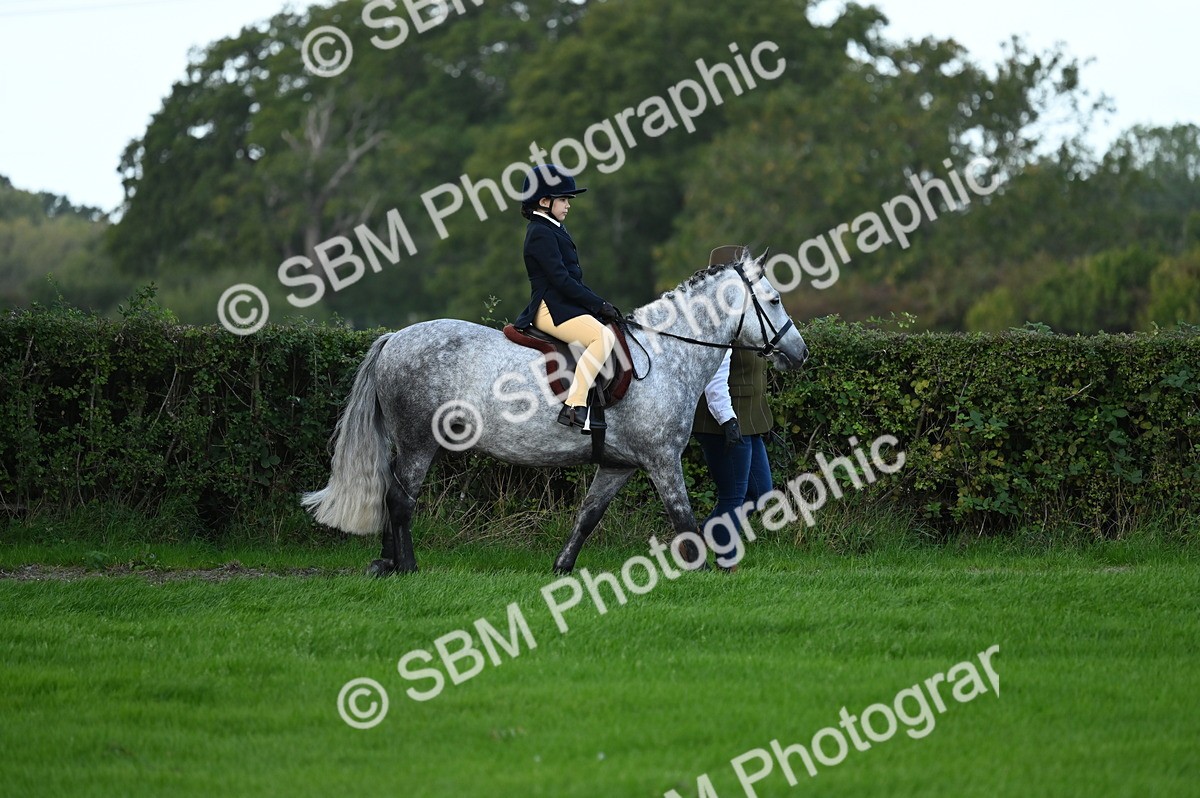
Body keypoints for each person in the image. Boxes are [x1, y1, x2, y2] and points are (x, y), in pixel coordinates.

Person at [513, 164, 621, 433]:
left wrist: (596, 304)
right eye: (563, 199)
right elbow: (561, 280)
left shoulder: (553, 227)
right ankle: (574, 406)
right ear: (544, 201)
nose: (568, 205)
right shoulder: (540, 232)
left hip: (562, 303)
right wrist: (598, 304)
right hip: (550, 307)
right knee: (602, 338)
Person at [691, 245, 775, 572]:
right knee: (734, 496)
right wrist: (728, 421)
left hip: (748, 418)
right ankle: (725, 560)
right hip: (722, 418)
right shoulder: (717, 317)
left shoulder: (744, 311)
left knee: (760, 494)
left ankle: (696, 541)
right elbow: (714, 381)